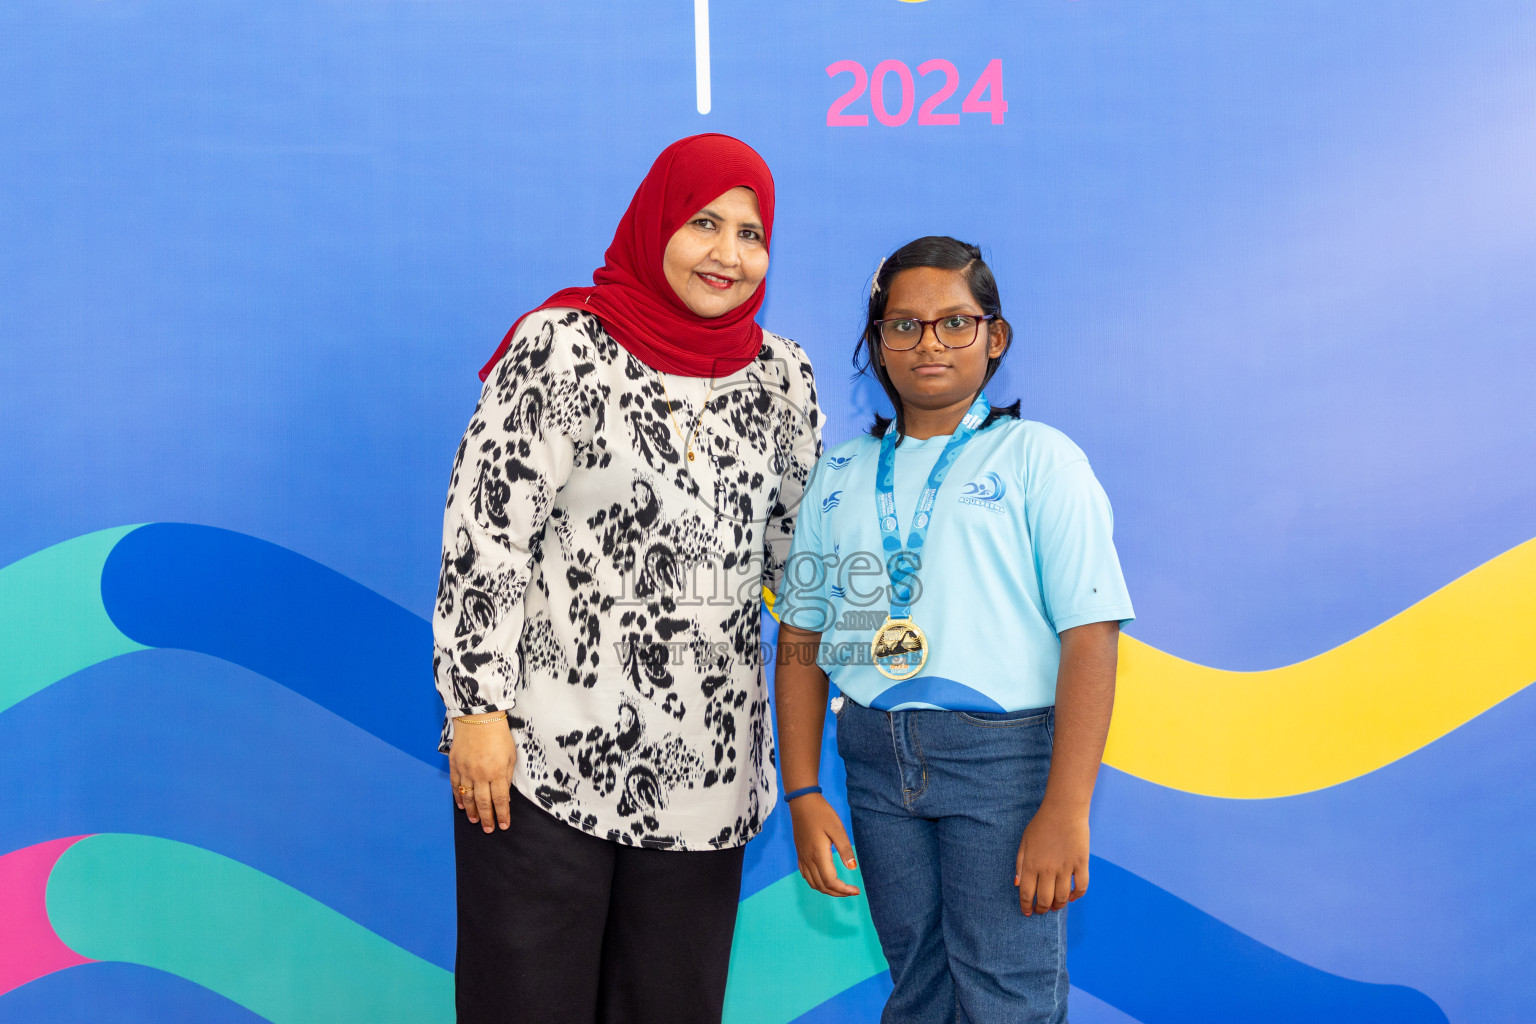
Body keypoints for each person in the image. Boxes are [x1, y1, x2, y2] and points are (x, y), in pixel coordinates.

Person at [434, 133, 821, 1024]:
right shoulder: (564, 348)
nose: (730, 254)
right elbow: (485, 535)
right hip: (539, 762)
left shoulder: (782, 379)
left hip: (707, 776)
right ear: (657, 225)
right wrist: (475, 711)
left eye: (752, 233)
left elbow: (798, 563)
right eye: (704, 223)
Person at [772, 236, 1132, 1023]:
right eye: (903, 325)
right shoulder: (838, 475)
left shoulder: (1041, 460)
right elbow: (803, 638)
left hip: (1002, 765)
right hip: (874, 760)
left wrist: (1067, 808)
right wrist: (801, 788)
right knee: (919, 990)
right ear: (876, 344)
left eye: (955, 323)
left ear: (994, 337)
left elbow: (1092, 634)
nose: (928, 342)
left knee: (1005, 992)